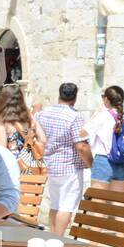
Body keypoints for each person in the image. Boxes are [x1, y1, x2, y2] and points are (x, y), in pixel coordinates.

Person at [35, 82, 93, 236]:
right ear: (75, 98)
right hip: (69, 167)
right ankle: (58, 239)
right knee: (66, 206)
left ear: (59, 95)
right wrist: (91, 163)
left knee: (55, 204)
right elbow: (81, 146)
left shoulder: (43, 113)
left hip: (51, 165)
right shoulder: (75, 117)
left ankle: (52, 237)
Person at [86, 85, 124, 192]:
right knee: (118, 202)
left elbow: (83, 133)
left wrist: (97, 111)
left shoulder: (102, 115)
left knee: (98, 201)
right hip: (123, 161)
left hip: (103, 160)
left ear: (106, 99)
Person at [0, 83, 46, 173]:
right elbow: (43, 140)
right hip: (31, 166)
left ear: (3, 100)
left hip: (13, 170)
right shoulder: (29, 117)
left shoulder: (3, 122)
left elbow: (2, 150)